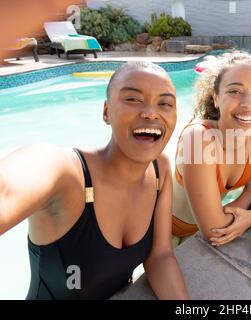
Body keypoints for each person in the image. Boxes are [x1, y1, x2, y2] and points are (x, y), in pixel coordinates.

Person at [0, 61, 189, 300]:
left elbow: (160, 256)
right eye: (133, 99)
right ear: (106, 112)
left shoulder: (159, 167)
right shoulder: (66, 173)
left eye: (165, 103)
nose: (151, 112)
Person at [172, 52, 251, 247]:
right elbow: (214, 229)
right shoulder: (198, 138)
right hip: (163, 228)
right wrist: (250, 194)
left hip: (197, 230)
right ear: (216, 98)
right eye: (235, 91)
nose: (248, 104)